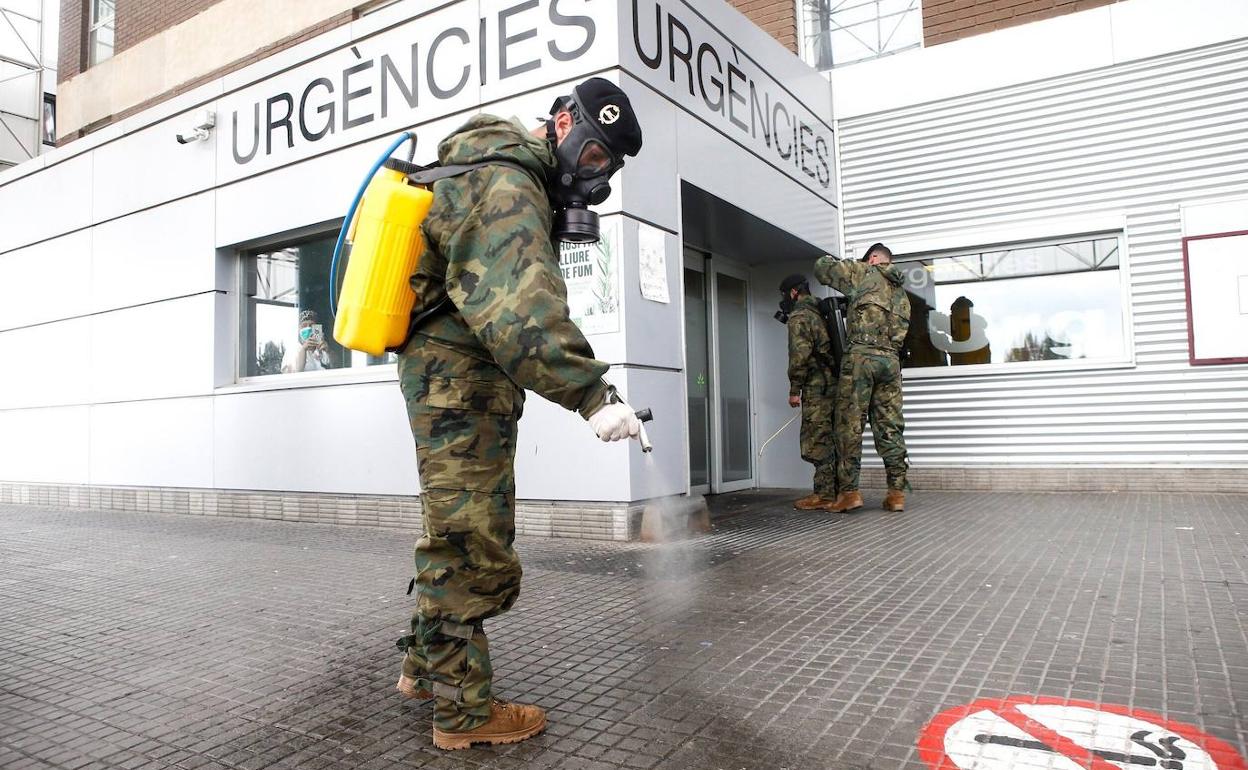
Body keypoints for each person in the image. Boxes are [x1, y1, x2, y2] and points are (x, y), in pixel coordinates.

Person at [392, 78, 644, 751]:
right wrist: (593, 394)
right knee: (470, 541)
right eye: (594, 157)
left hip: (457, 381)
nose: (597, 176)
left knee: (457, 525)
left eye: (608, 168)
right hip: (459, 384)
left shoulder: (496, 172)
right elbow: (520, 311)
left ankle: (424, 667)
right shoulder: (507, 187)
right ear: (563, 124)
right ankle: (464, 714)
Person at [813, 243, 912, 513]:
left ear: (874, 258)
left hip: (861, 359)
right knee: (890, 426)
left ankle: (849, 493)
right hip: (891, 363)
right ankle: (896, 494)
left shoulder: (863, 272)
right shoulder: (902, 293)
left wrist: (846, 260)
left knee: (849, 424)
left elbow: (822, 268)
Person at [778, 274, 838, 510]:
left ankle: (824, 494)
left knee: (817, 439)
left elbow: (799, 356)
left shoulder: (799, 317)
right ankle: (837, 490)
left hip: (816, 387)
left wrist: (795, 389)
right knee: (831, 436)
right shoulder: (819, 313)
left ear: (793, 292)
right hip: (832, 384)